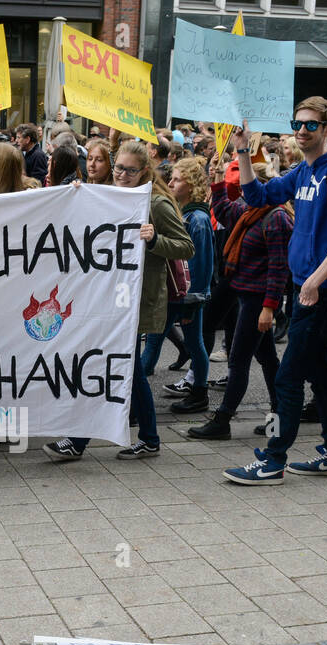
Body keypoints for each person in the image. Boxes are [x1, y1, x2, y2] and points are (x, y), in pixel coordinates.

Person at [220, 98, 327, 484]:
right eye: (297, 124)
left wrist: (316, 282)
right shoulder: (304, 171)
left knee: (287, 378)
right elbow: (256, 197)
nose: (302, 131)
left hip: (322, 291)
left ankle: (273, 458)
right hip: (305, 287)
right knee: (318, 375)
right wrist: (242, 150)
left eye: (311, 126)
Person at [43, 141, 195, 461]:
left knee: (118, 367)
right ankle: (137, 438)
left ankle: (83, 440)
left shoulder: (156, 203)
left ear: (145, 171)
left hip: (136, 300)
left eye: (130, 170)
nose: (122, 175)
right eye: (119, 168)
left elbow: (185, 247)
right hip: (108, 296)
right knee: (117, 367)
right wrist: (76, 194)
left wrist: (154, 238)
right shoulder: (113, 194)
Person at [184, 159, 292, 441]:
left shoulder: (277, 217)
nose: (242, 191)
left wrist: (269, 308)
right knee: (267, 359)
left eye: (247, 186)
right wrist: (217, 180)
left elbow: (279, 269)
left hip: (258, 300)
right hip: (246, 295)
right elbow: (223, 211)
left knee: (239, 360)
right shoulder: (250, 210)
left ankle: (222, 420)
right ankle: (277, 422)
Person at [162, 156, 214, 412]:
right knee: (191, 343)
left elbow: (201, 263)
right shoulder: (181, 212)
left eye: (177, 179)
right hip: (177, 292)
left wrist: (193, 299)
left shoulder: (198, 220)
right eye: (171, 178)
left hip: (188, 295)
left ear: (191, 185)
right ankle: (198, 391)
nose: (170, 183)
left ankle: (200, 393)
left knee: (194, 344)